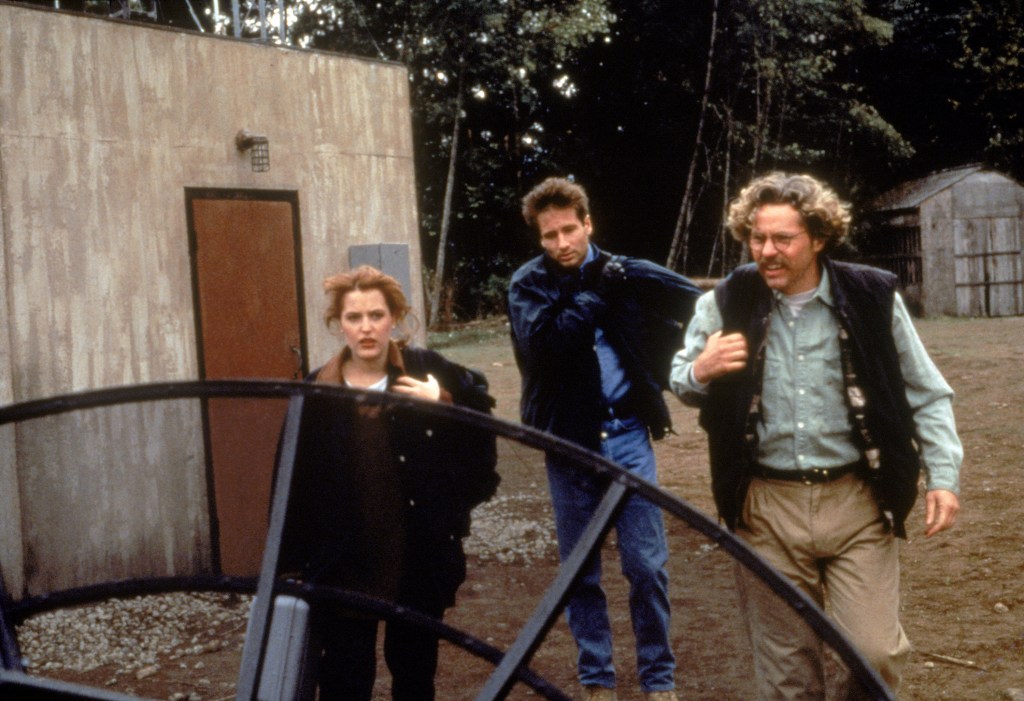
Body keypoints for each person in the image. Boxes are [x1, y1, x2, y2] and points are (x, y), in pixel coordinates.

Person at [669, 172, 962, 700]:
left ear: (819, 237)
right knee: (787, 677)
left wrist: (943, 475)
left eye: (783, 239)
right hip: (764, 509)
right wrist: (700, 371)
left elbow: (927, 391)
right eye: (757, 238)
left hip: (858, 503)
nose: (767, 251)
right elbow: (682, 380)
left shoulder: (872, 296)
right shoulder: (727, 300)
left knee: (873, 656)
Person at [507, 176, 702, 701]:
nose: (562, 243)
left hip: (627, 433)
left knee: (647, 566)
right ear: (539, 238)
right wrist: (595, 294)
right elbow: (547, 346)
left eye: (569, 230)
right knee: (581, 571)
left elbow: (696, 301)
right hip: (568, 442)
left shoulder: (623, 270)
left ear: (588, 224)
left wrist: (675, 346)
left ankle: (659, 679)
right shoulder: (528, 285)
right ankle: (597, 680)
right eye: (549, 235)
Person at [278, 264, 499, 701]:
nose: (366, 328)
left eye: (376, 315)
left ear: (393, 318)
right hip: (343, 559)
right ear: (338, 324)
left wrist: (444, 403)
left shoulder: (426, 369)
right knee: (345, 678)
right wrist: (291, 565)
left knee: (415, 675)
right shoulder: (318, 390)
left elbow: (482, 429)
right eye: (354, 317)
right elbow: (290, 483)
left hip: (417, 555)